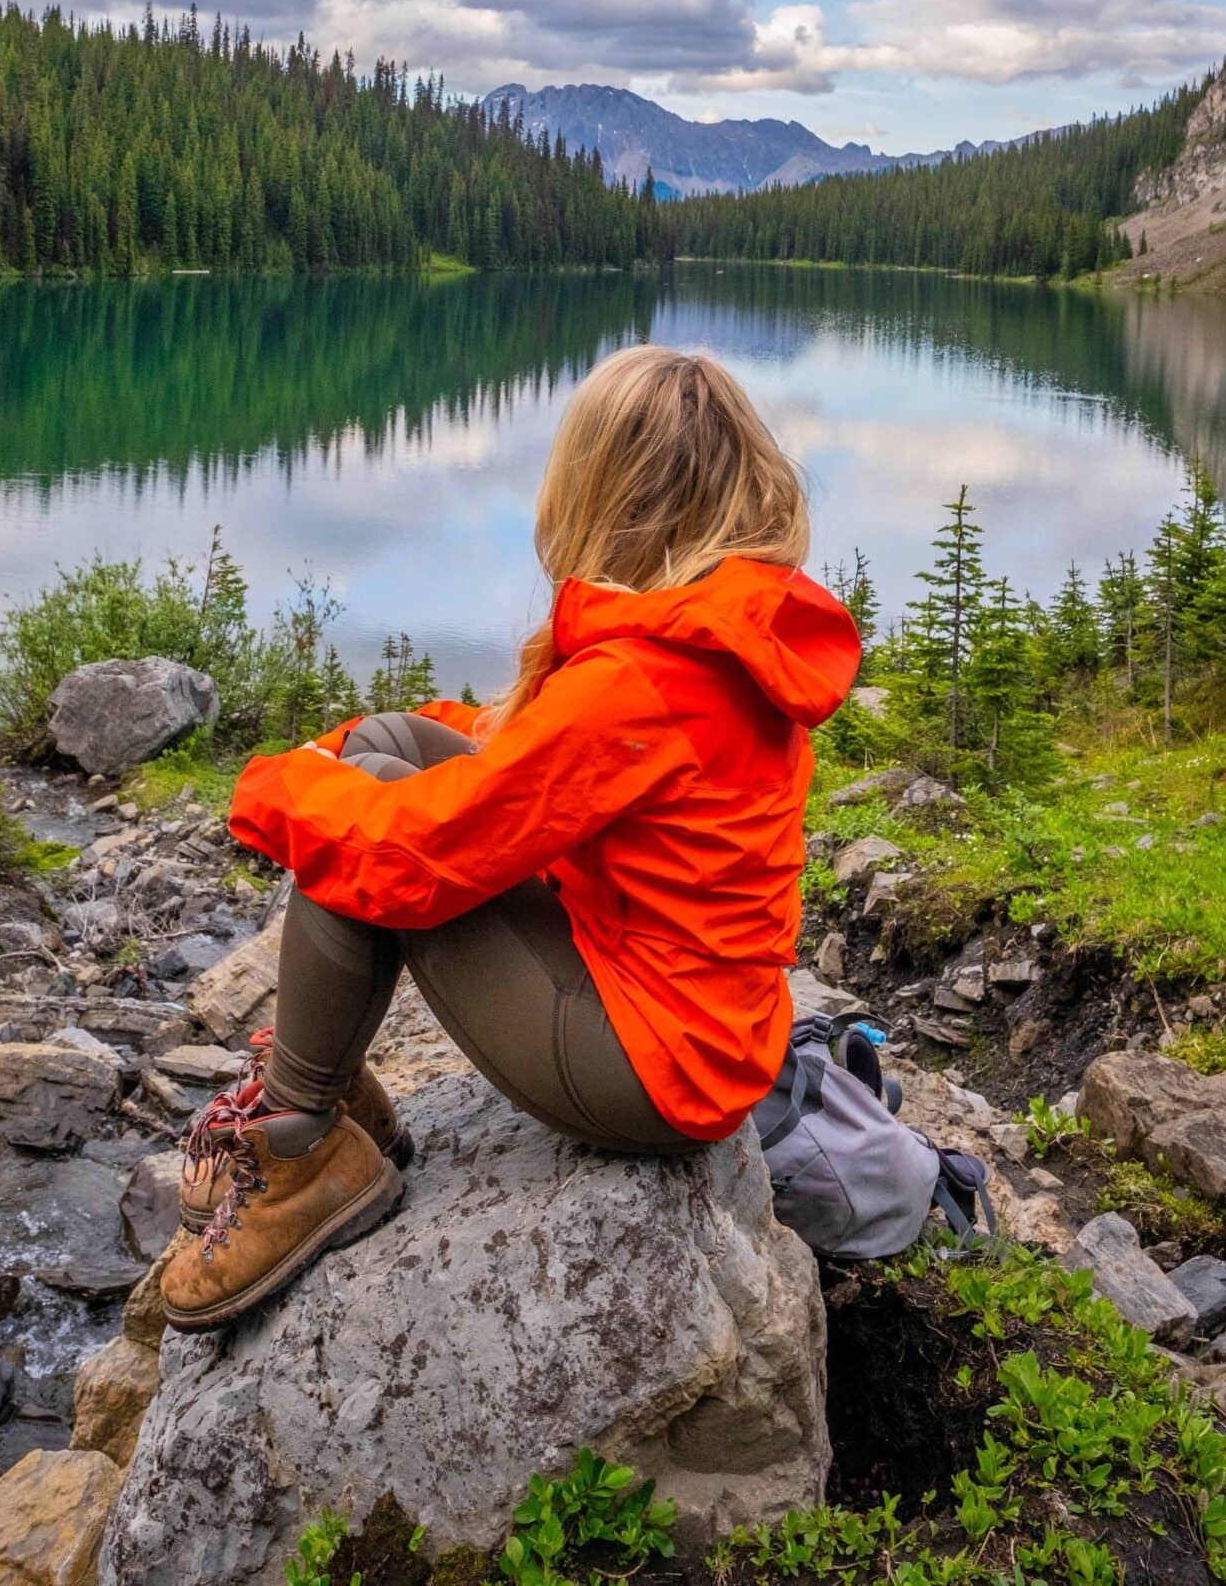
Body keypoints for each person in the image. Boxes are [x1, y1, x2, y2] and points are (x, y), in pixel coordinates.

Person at [160, 344, 860, 1330]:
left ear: (606, 492)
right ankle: (336, 1099)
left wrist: (279, 788)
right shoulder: (723, 626)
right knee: (388, 750)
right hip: (695, 1015)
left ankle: (300, 1147)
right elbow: (541, 759)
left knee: (358, 845)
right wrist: (350, 756)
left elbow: (414, 850)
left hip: (658, 1069)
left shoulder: (645, 682)